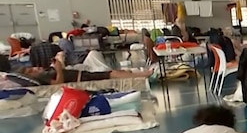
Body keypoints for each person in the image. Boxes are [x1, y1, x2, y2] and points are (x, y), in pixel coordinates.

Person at [22, 52, 152, 85]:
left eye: (32, 68)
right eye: (31, 71)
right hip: (82, 78)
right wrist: (58, 69)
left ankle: (139, 73)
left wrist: (58, 65)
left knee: (116, 72)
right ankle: (143, 75)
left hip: (82, 74)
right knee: (113, 73)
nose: (34, 69)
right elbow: (57, 83)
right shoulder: (41, 76)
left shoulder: (44, 73)